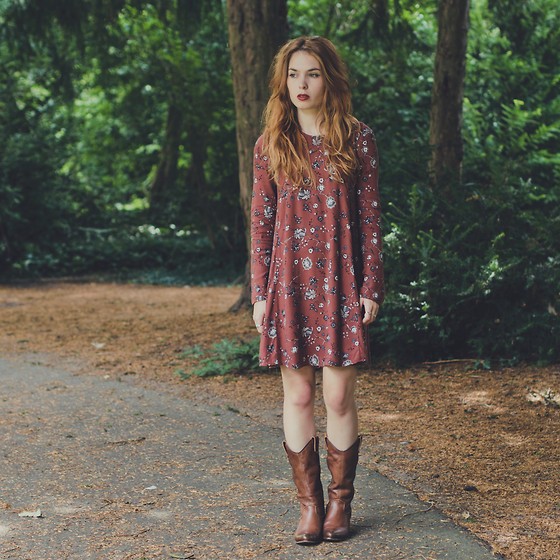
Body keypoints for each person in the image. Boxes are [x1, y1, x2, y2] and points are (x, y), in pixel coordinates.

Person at [250, 36, 384, 545]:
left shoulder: (357, 138)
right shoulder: (271, 144)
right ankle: (310, 507)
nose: (301, 84)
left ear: (329, 79)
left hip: (341, 280)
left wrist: (371, 284)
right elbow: (261, 222)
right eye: (293, 75)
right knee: (300, 392)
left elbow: (370, 216)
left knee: (338, 394)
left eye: (311, 74)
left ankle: (341, 503)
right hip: (288, 284)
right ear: (283, 82)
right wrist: (259, 292)